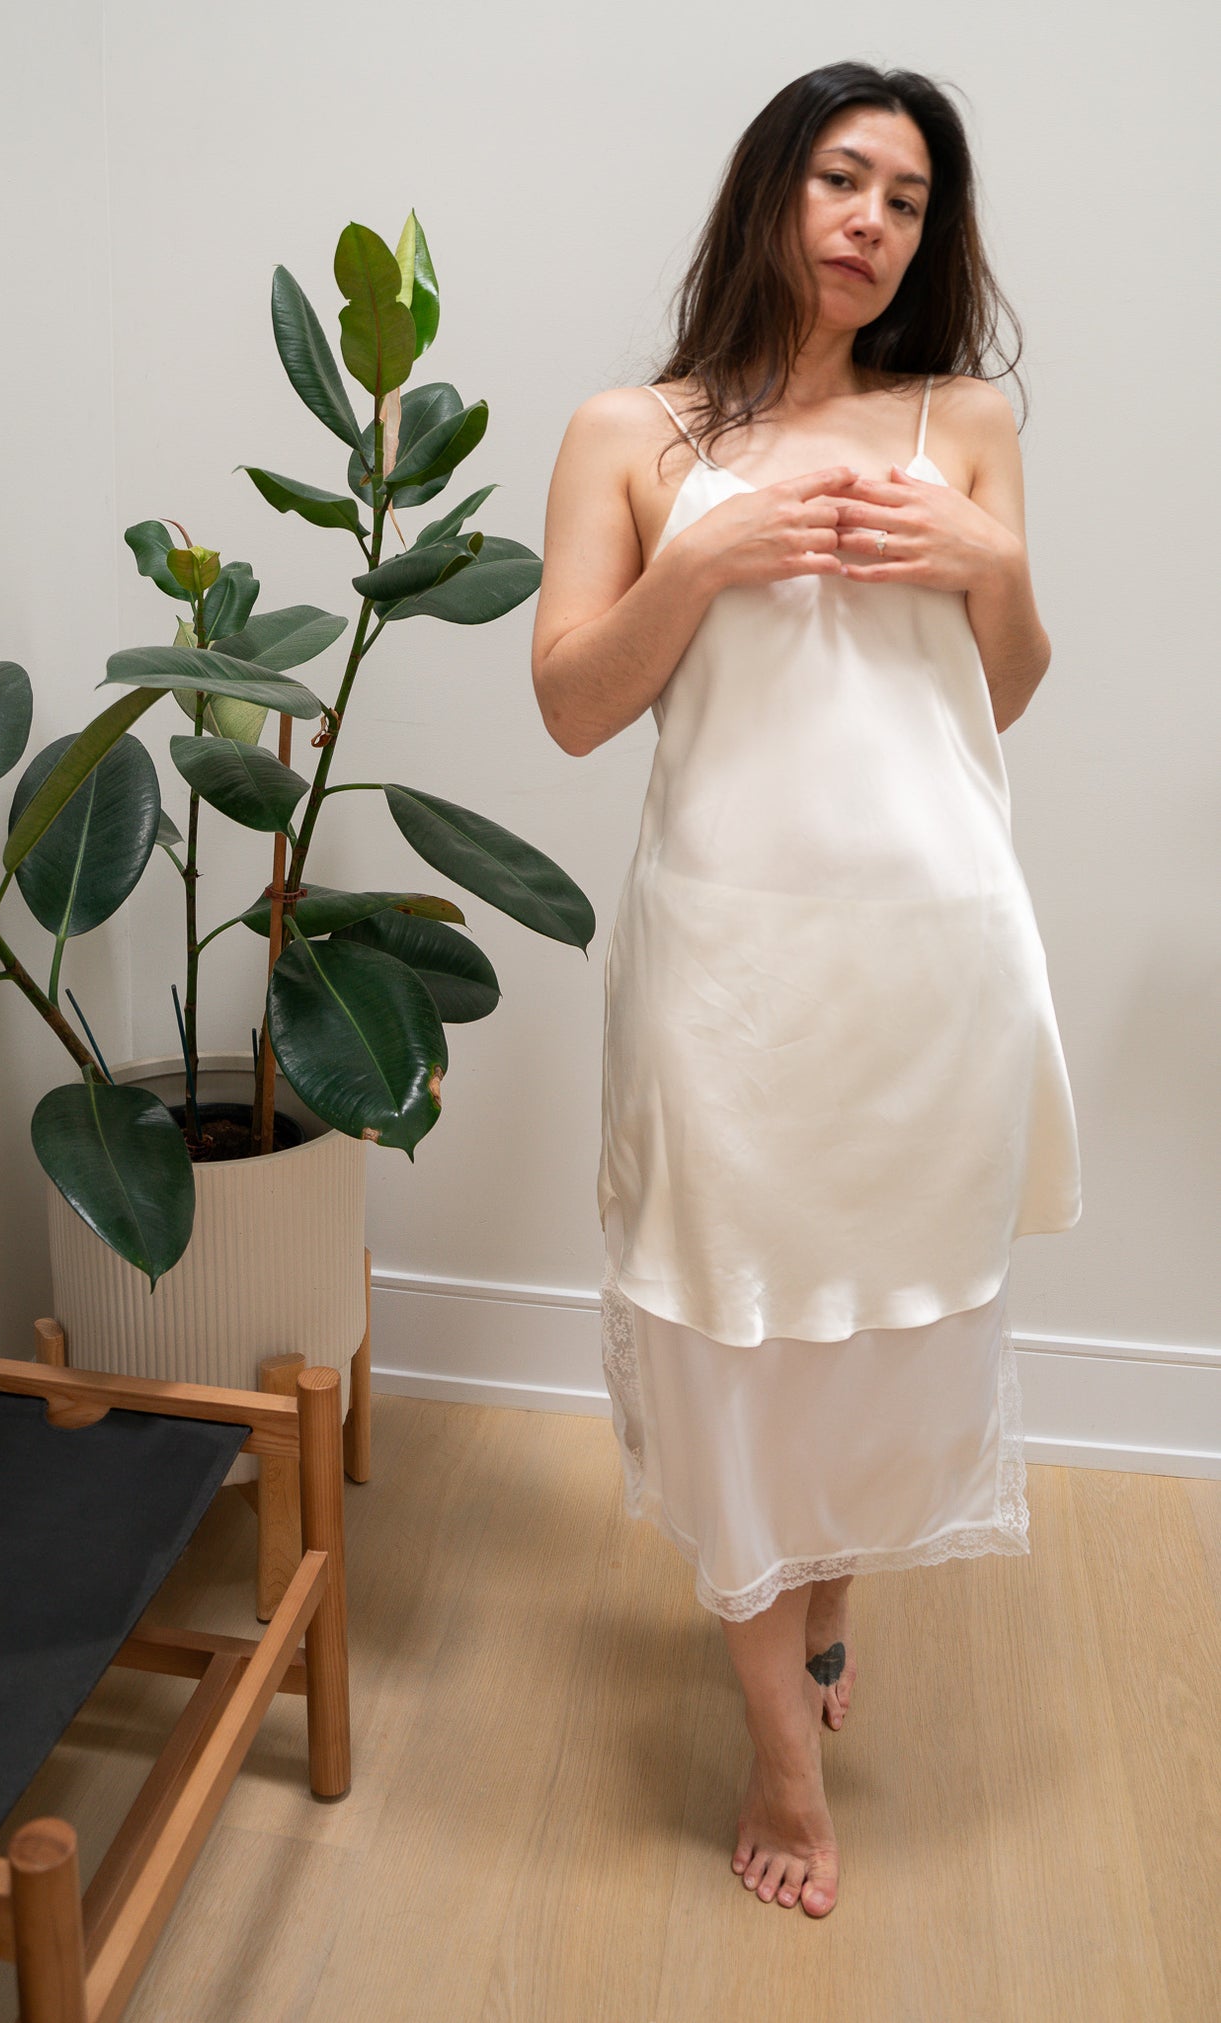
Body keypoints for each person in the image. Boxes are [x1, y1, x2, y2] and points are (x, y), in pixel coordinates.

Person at [529, 62, 1082, 1920]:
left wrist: (989, 564)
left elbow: (999, 689)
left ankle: (823, 1598)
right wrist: (701, 557)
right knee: (732, 1343)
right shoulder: (632, 433)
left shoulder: (966, 423)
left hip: (932, 970)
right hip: (728, 981)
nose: (870, 220)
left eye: (907, 199)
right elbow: (576, 703)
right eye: (841, 179)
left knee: (881, 1334)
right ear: (771, 193)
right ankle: (778, 1756)